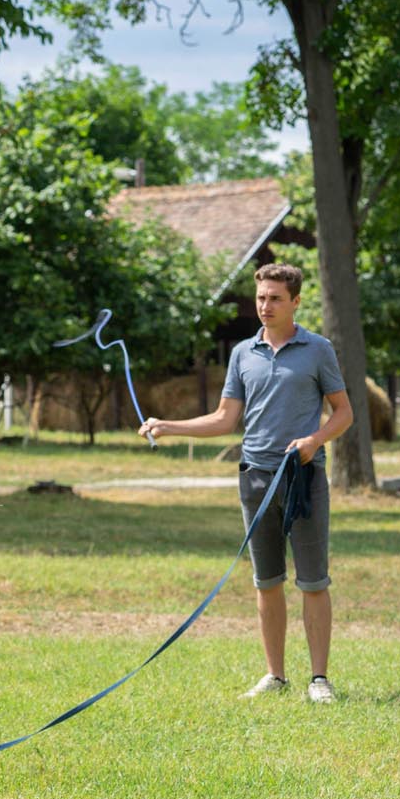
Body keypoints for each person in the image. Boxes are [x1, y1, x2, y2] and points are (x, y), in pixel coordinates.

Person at [138, 263, 353, 703]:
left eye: (275, 298)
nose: (265, 306)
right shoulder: (242, 354)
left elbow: (345, 413)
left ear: (295, 301)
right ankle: (275, 676)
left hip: (303, 479)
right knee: (266, 579)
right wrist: (168, 426)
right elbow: (224, 419)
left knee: (313, 581)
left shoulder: (318, 349)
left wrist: (314, 441)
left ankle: (318, 680)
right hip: (254, 478)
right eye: (260, 298)